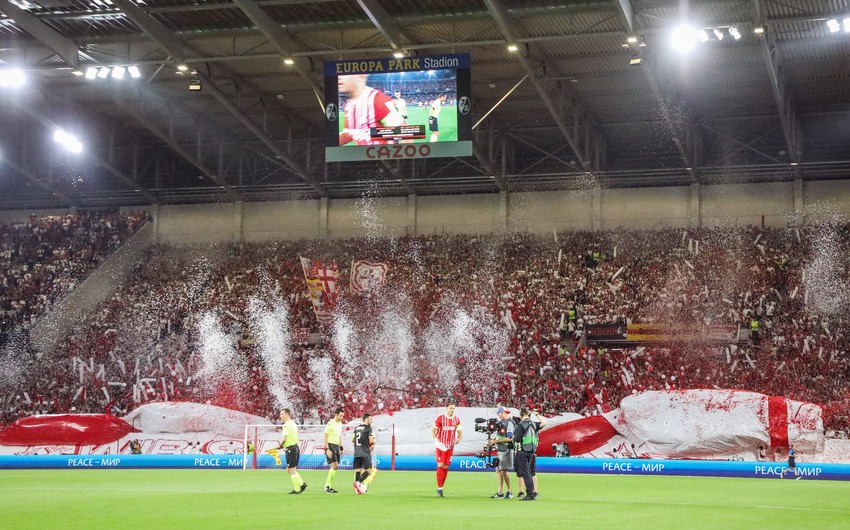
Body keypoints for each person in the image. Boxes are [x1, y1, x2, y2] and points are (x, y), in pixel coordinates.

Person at [338, 74, 404, 146]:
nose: (339, 77)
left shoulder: (377, 99)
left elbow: (403, 133)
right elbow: (348, 134)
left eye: (344, 74)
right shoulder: (349, 106)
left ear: (361, 76)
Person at [512, 407, 547, 501]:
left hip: (522, 451)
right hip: (531, 451)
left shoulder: (521, 425)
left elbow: (517, 438)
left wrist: (513, 438)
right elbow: (544, 423)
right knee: (530, 472)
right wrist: (537, 414)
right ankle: (533, 493)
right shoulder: (533, 424)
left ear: (521, 415)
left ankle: (530, 494)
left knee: (525, 473)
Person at [431, 402, 462, 497]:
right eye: (450, 408)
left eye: (453, 408)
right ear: (446, 408)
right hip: (441, 445)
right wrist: (436, 440)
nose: (452, 410)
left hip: (450, 446)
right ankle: (439, 489)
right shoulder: (440, 418)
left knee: (445, 466)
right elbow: (433, 430)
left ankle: (441, 487)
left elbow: (460, 432)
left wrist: (458, 439)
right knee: (440, 464)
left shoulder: (456, 420)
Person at [486, 406, 515, 499]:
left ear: (502, 412)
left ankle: (510, 491)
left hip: (506, 449)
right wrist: (493, 440)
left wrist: (495, 442)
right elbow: (499, 436)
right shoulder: (501, 423)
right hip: (500, 449)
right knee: (498, 470)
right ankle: (500, 492)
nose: (498, 416)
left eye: (498, 413)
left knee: (503, 471)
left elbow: (509, 438)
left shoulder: (510, 423)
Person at [280, 408, 307, 494]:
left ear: (287, 415)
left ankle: (297, 489)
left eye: (282, 414)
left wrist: (280, 445)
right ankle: (302, 484)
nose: (280, 416)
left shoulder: (286, 425)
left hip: (290, 448)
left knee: (291, 470)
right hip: (295, 447)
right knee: (289, 469)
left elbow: (285, 438)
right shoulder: (293, 423)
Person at [352, 413, 376, 495]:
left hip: (356, 452)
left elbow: (353, 441)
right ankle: (358, 483)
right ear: (366, 419)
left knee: (358, 471)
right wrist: (371, 443)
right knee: (369, 471)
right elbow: (371, 441)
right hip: (365, 452)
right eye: (370, 419)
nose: (371, 421)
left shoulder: (357, 428)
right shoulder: (368, 428)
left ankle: (357, 490)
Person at [323, 407, 345, 493]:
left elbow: (339, 436)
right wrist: (327, 449)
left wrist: (341, 447)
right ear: (336, 415)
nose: (342, 417)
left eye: (342, 416)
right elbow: (325, 436)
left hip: (336, 446)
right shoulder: (330, 423)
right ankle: (327, 486)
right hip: (330, 445)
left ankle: (328, 486)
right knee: (335, 466)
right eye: (340, 416)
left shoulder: (340, 424)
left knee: (335, 467)